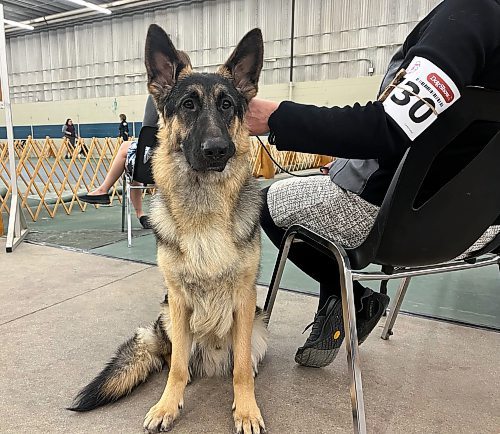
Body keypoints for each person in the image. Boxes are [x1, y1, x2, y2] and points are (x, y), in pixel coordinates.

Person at [247, 0, 500, 368]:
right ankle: (346, 300)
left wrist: (277, 116)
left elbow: (389, 128)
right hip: (484, 232)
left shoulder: (470, 14)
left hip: (394, 222)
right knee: (328, 190)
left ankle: (351, 295)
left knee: (266, 202)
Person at [79, 96, 159, 229]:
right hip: (180, 162)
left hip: (158, 164)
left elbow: (148, 130)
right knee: (132, 160)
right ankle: (140, 214)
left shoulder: (155, 97)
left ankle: (104, 190)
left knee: (127, 153)